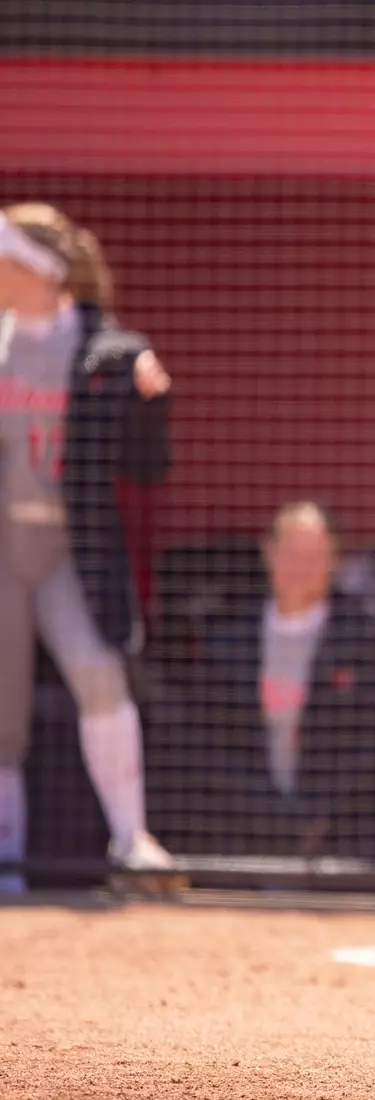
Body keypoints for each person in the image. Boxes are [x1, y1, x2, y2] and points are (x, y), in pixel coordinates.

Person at [0, 204, 176, 893]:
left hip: (67, 548)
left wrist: (148, 405)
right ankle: (6, 862)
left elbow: (148, 468)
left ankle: (133, 842)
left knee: (99, 675)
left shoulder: (107, 351)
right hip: (3, 546)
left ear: (35, 270)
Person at [174, 501, 375, 858]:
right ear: (268, 553)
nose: (300, 568)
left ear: (335, 560)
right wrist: (267, 813)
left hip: (343, 833)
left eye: (315, 556)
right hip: (240, 830)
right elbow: (204, 739)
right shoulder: (227, 639)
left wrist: (320, 813)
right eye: (290, 553)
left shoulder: (366, 636)